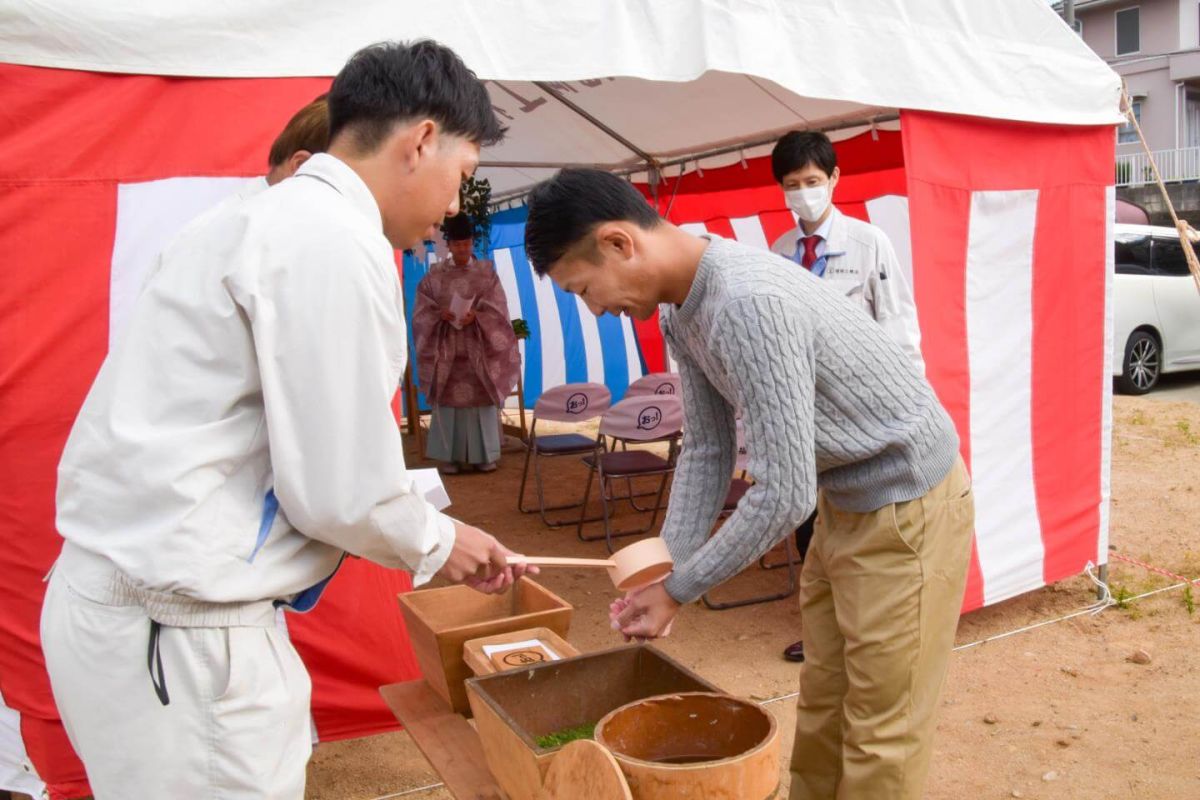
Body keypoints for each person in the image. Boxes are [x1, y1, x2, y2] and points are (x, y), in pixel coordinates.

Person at [41, 40, 532, 800]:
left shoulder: (243, 220)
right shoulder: (334, 241)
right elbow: (340, 491)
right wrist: (441, 541)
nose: (452, 208)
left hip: (122, 609)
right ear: (422, 140)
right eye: (461, 180)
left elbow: (283, 441)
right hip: (181, 637)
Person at [523, 168, 974, 800]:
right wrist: (663, 566)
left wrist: (679, 589)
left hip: (908, 505)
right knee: (824, 701)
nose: (594, 309)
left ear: (619, 243)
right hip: (844, 499)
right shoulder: (685, 310)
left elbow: (782, 492)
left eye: (584, 288)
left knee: (881, 730)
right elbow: (707, 448)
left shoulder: (746, 302)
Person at [769, 130, 927, 663]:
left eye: (813, 181)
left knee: (860, 526)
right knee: (809, 527)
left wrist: (912, 406)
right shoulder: (780, 252)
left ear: (834, 179)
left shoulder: (868, 244)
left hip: (862, 413)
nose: (804, 193)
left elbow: (899, 326)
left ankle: (866, 634)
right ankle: (820, 634)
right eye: (793, 185)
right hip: (803, 415)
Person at [412, 212, 520, 474]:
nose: (462, 248)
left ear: (472, 242)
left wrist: (478, 316)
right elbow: (421, 310)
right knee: (449, 407)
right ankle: (449, 457)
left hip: (478, 349)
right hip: (446, 349)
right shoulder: (434, 276)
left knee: (480, 404)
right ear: (448, 245)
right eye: (457, 244)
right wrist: (440, 314)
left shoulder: (486, 274)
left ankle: (485, 455)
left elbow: (498, 309)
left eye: (467, 243)